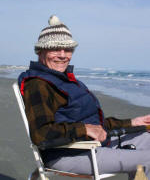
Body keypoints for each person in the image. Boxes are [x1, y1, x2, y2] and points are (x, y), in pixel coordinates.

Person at [18, 15, 150, 180]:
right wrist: (85, 129)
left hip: (93, 146)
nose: (62, 55)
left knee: (146, 138)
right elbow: (41, 134)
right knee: (148, 160)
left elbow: (96, 125)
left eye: (68, 49)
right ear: (40, 51)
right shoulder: (38, 84)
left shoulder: (67, 81)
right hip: (67, 154)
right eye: (55, 49)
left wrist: (133, 122)